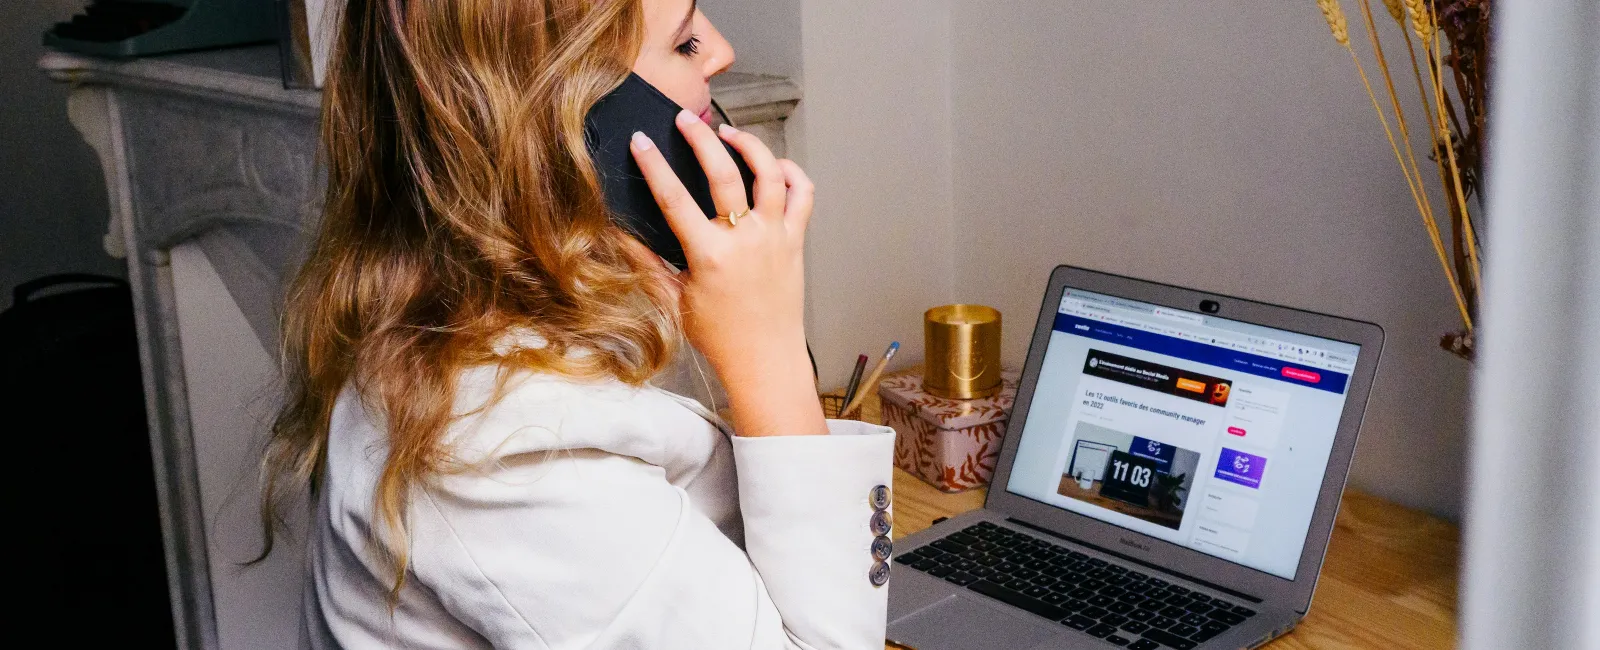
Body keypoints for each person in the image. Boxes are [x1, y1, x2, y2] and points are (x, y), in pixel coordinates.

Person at [256, 0, 896, 647]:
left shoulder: (492, 308)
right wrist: (772, 356)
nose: (723, 50)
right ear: (573, 117)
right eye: (684, 43)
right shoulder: (501, 452)